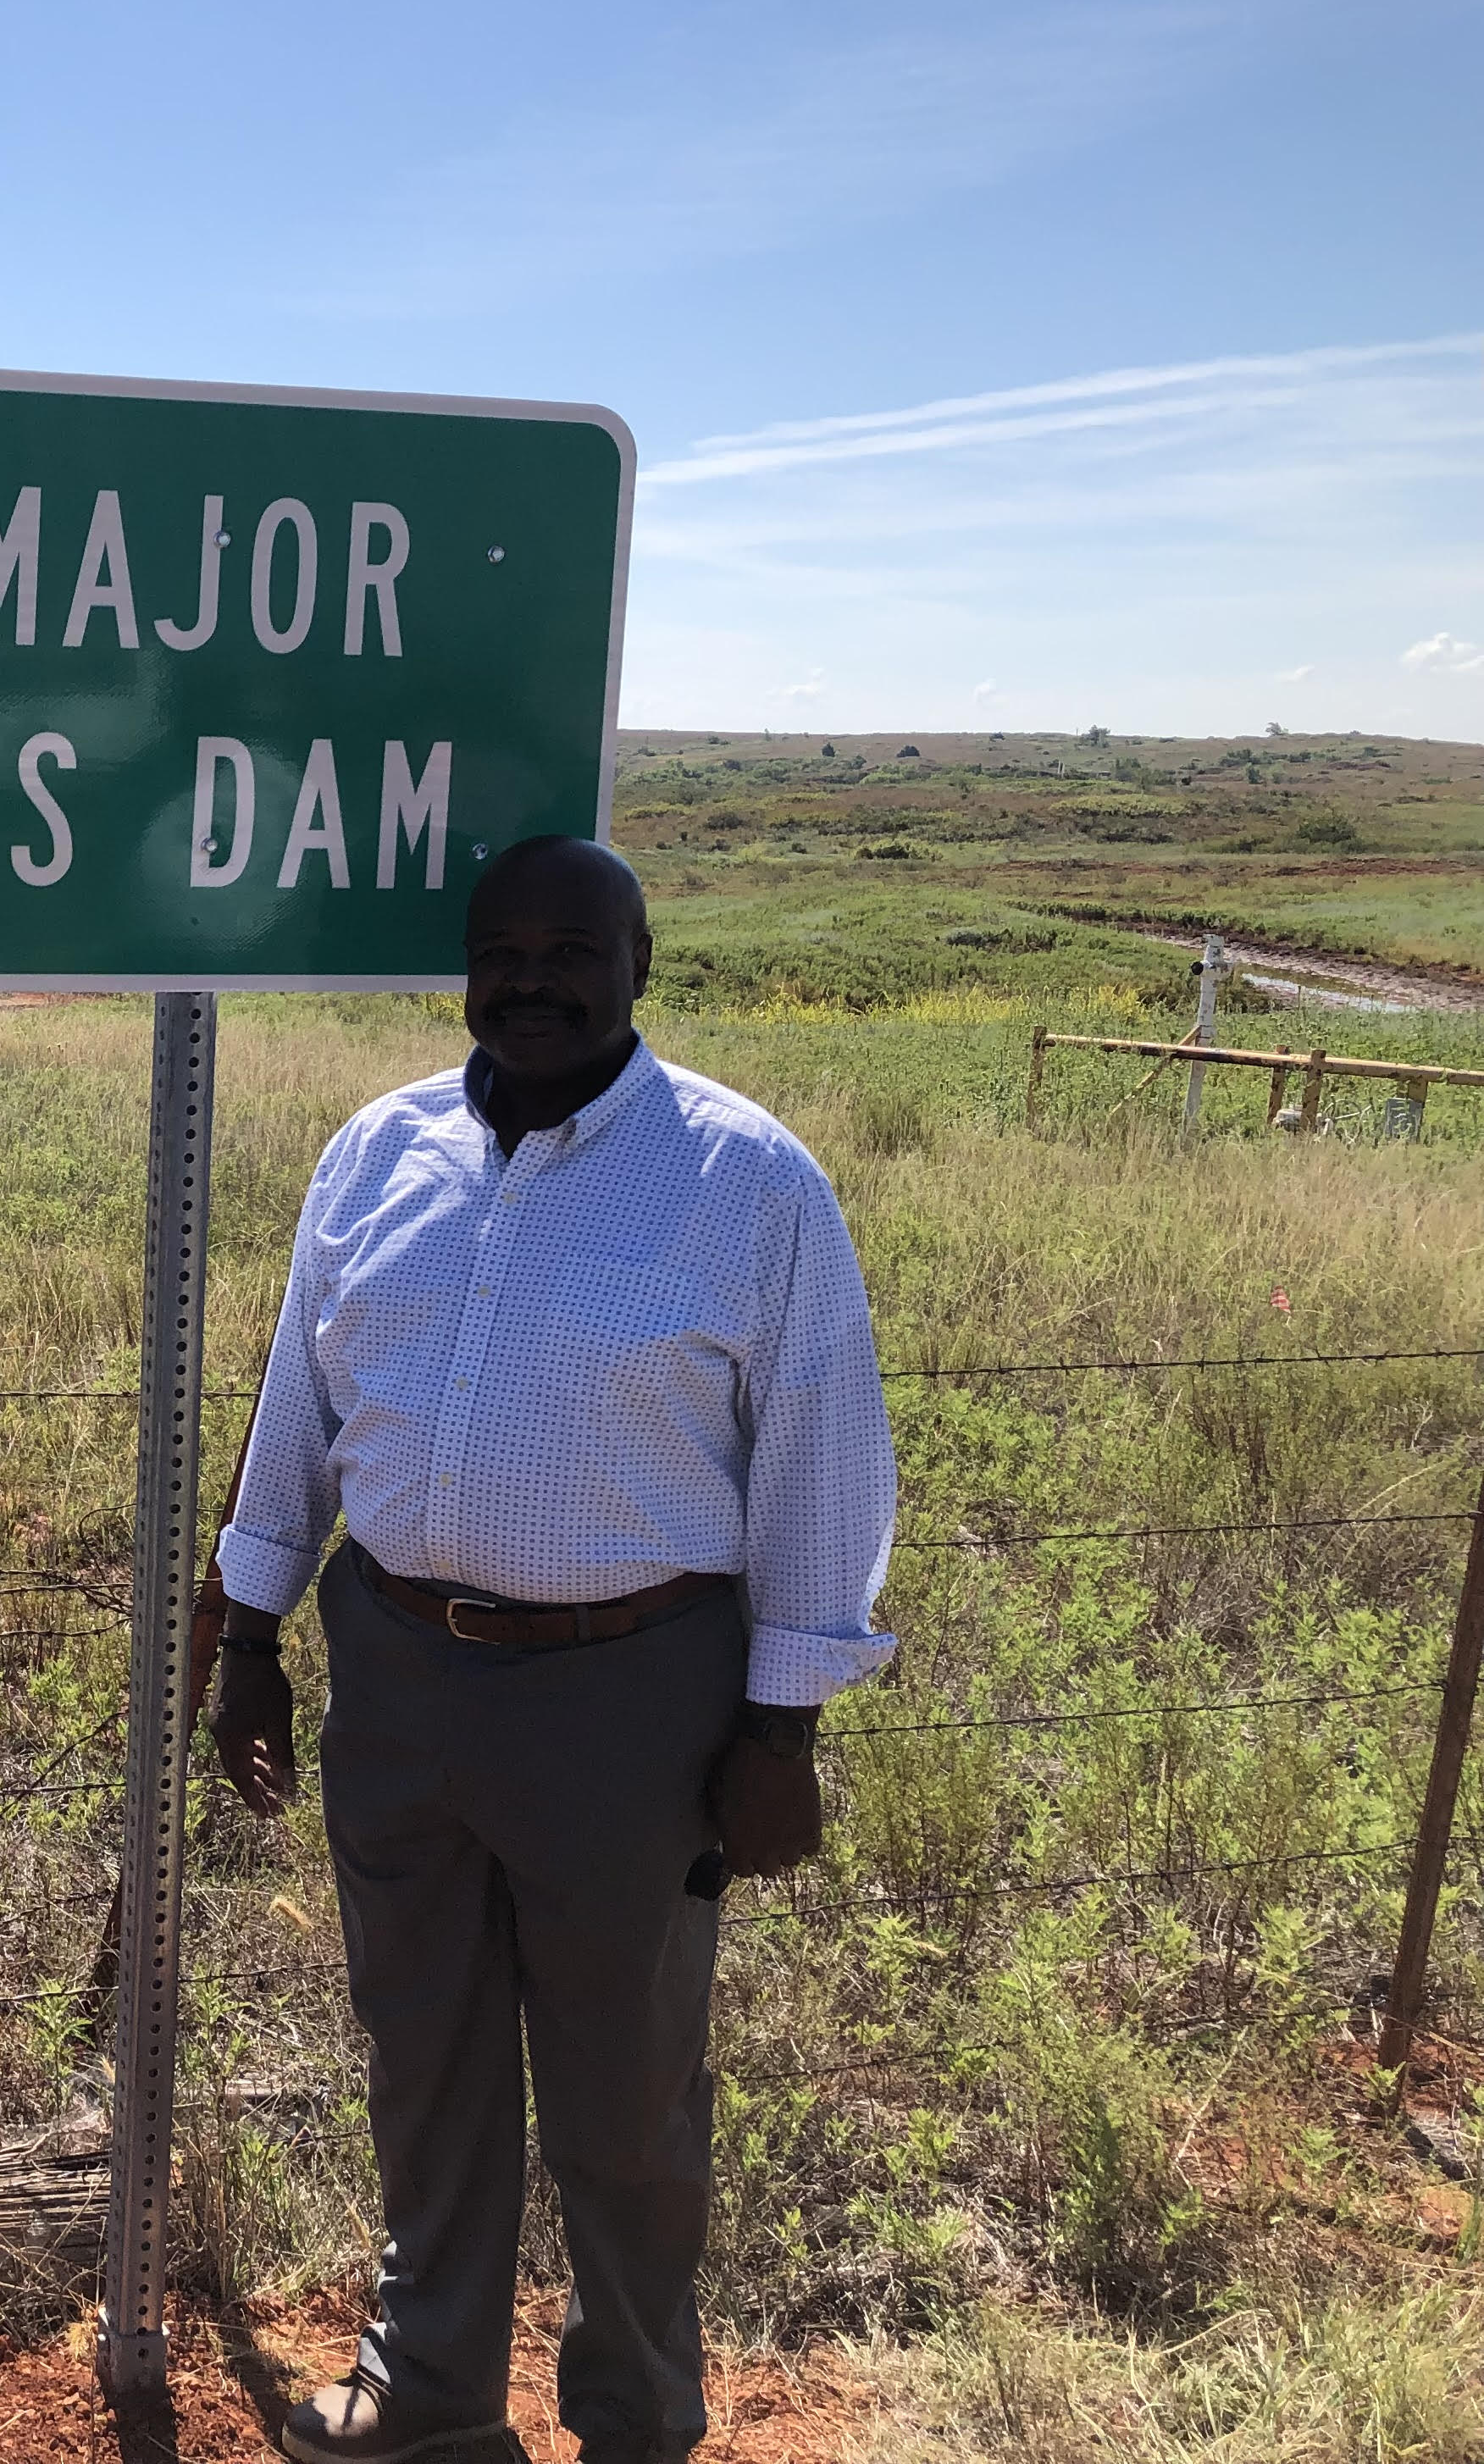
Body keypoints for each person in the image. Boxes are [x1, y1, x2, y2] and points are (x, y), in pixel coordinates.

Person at [207, 836, 894, 2464]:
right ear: (464, 968)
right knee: (423, 2059)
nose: (532, 977)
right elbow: (302, 1406)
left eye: (571, 947)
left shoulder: (750, 1184)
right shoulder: (374, 1155)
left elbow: (819, 1454)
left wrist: (781, 1732)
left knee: (628, 2098)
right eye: (501, 948)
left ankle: (637, 2416)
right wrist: (250, 1627)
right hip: (397, 1671)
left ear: (639, 965)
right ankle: (429, 2391)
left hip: (630, 1700)